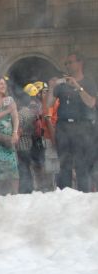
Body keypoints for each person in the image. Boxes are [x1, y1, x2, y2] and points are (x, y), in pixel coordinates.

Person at [46, 52, 96, 191]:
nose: (67, 65)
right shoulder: (62, 84)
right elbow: (49, 104)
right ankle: (65, 197)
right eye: (66, 63)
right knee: (64, 164)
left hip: (82, 126)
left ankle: (84, 196)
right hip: (63, 126)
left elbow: (91, 103)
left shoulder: (88, 81)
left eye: (70, 62)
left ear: (80, 63)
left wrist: (77, 86)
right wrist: (51, 87)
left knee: (82, 164)